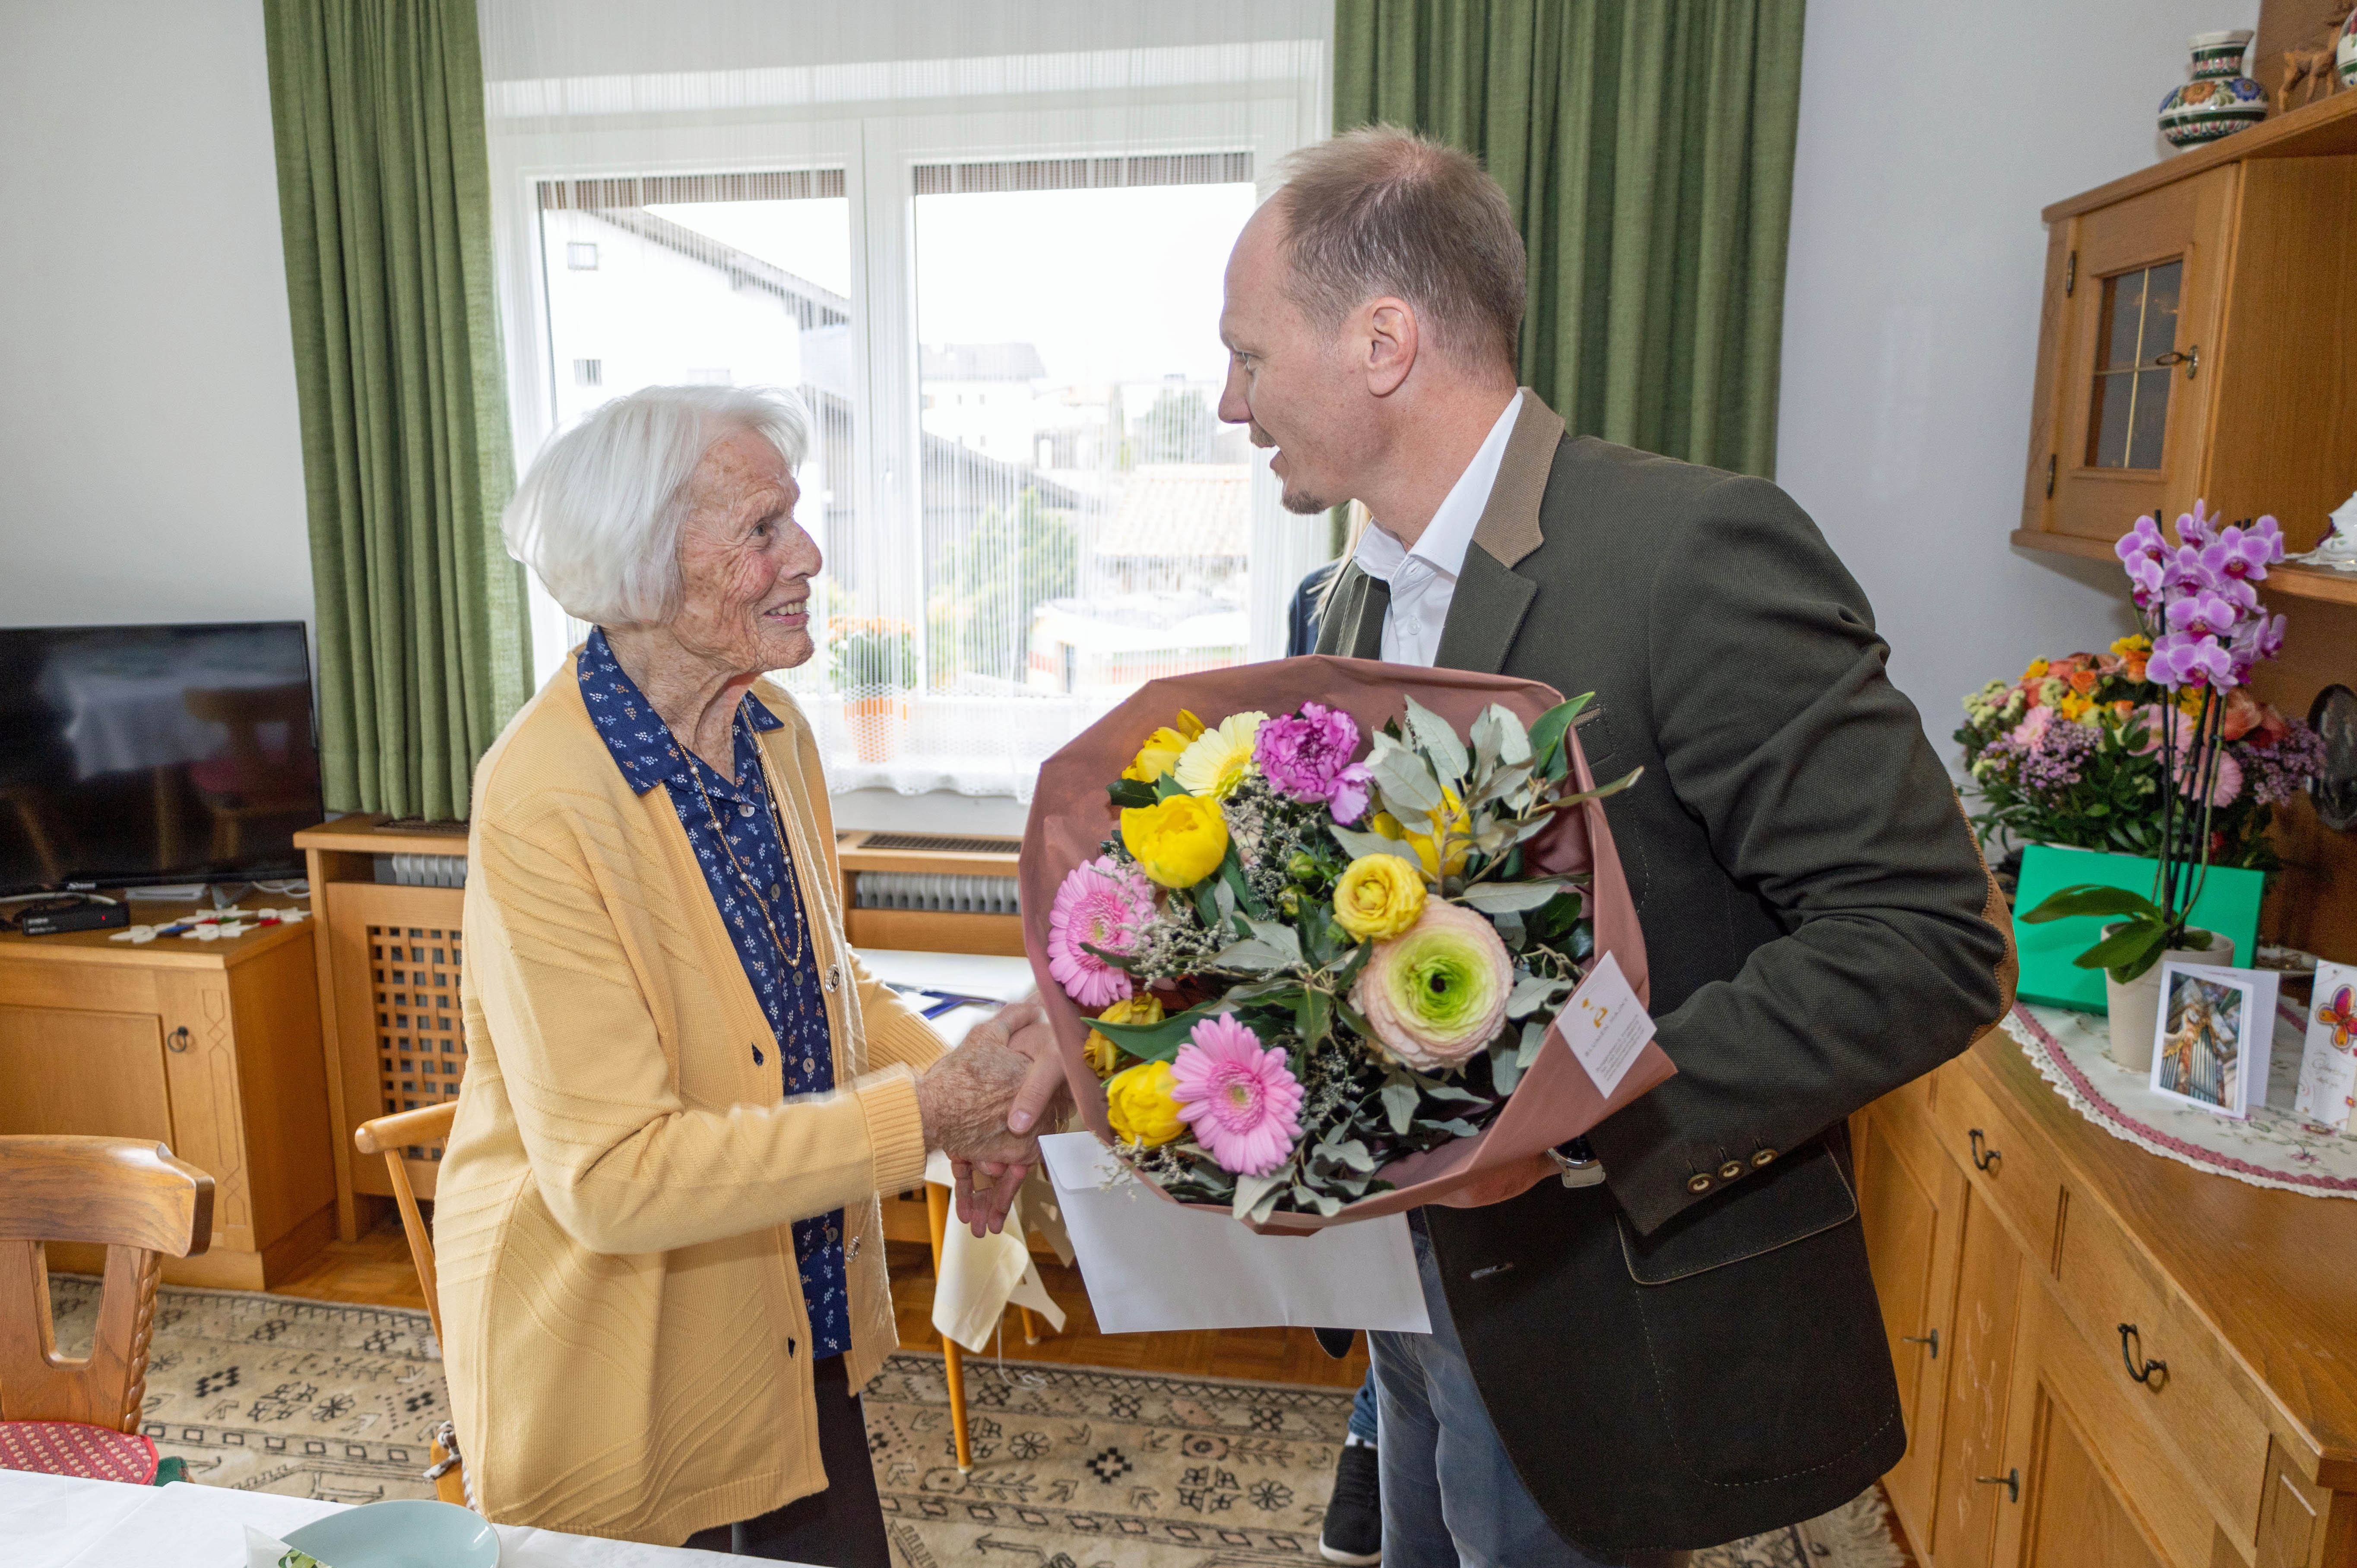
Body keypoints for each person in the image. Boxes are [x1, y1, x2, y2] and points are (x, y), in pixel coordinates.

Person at [1217, 128, 2012, 1567]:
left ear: (1381, 341)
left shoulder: (1690, 552)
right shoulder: (1338, 603)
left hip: (1600, 1293)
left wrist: (1572, 1129)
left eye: (1251, 357)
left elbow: (1926, 941)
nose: (1231, 401)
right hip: (1412, 1290)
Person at [436, 384, 1064, 1561]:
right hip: (616, 1358)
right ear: (643, 567)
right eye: (764, 529)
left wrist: (983, 1098)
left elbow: (826, 992)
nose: (809, 555)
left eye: (795, 520)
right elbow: (614, 1178)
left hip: (785, 1314)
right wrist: (926, 1116)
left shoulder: (771, 729)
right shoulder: (542, 799)